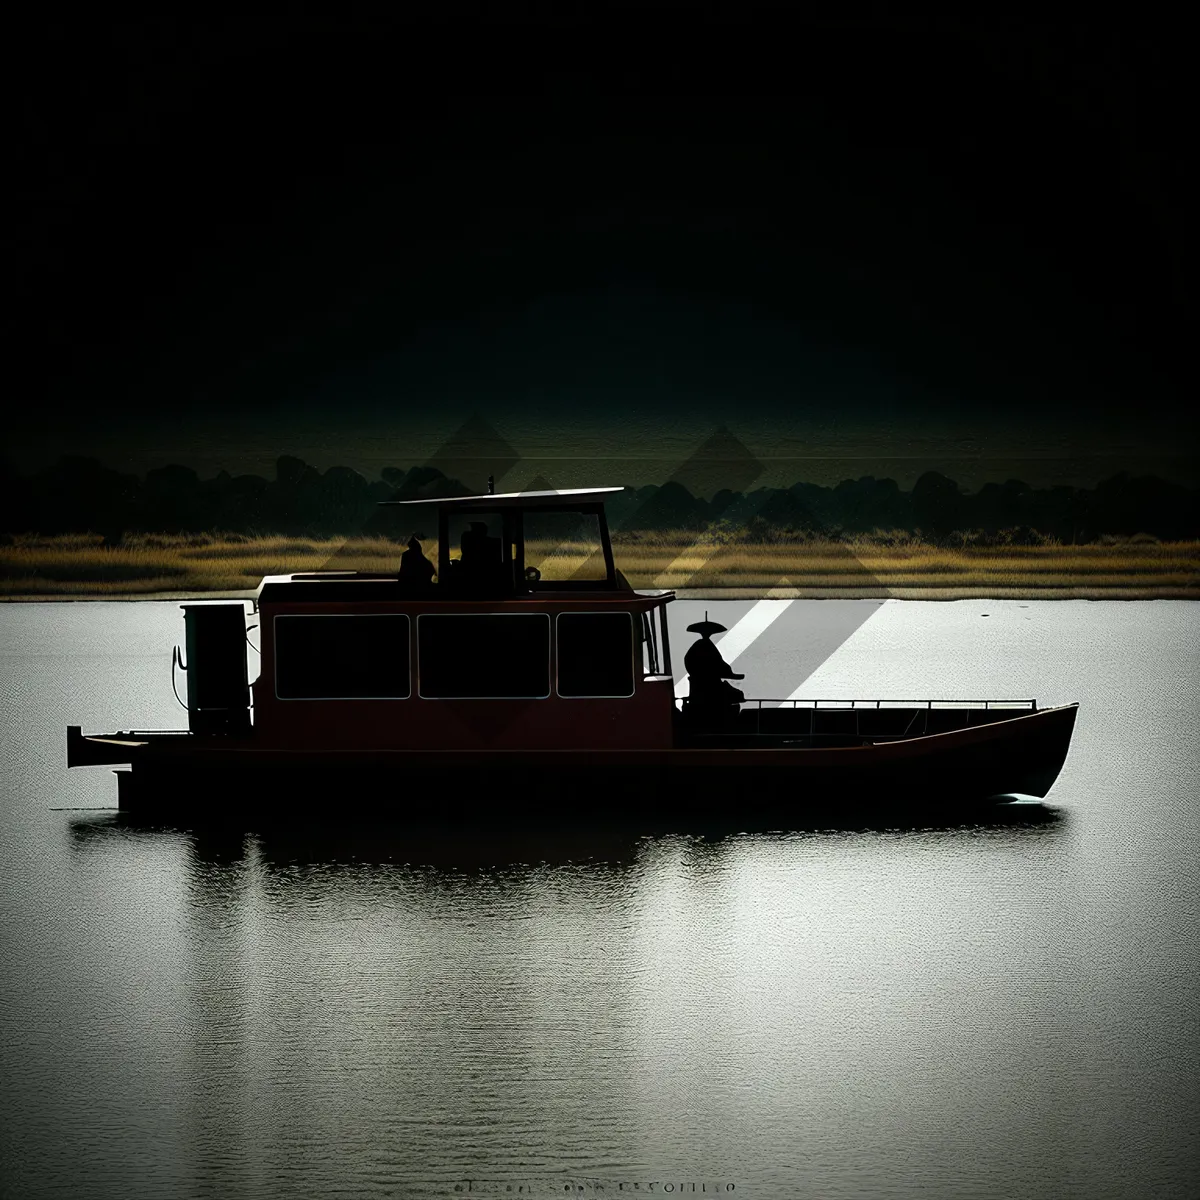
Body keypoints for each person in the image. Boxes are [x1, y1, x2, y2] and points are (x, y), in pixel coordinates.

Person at [684, 613, 745, 721]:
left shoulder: (699, 645)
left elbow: (718, 662)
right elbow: (718, 663)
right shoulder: (706, 646)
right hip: (709, 685)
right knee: (736, 695)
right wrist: (729, 673)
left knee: (735, 694)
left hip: (702, 683)